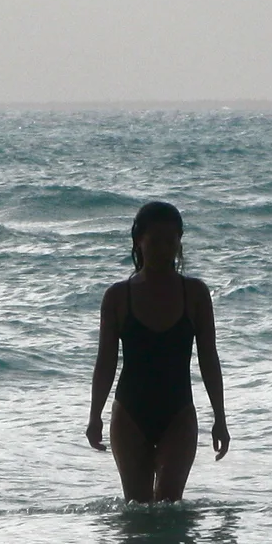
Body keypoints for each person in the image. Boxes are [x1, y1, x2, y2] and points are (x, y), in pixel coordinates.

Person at [85, 200, 229, 502]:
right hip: (129, 414)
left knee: (169, 502)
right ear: (139, 241)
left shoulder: (195, 295)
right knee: (137, 506)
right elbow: (105, 363)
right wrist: (94, 415)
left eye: (171, 241)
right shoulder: (118, 297)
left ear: (179, 243)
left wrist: (220, 418)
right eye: (155, 241)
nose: (163, 249)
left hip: (178, 413)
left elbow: (209, 360)